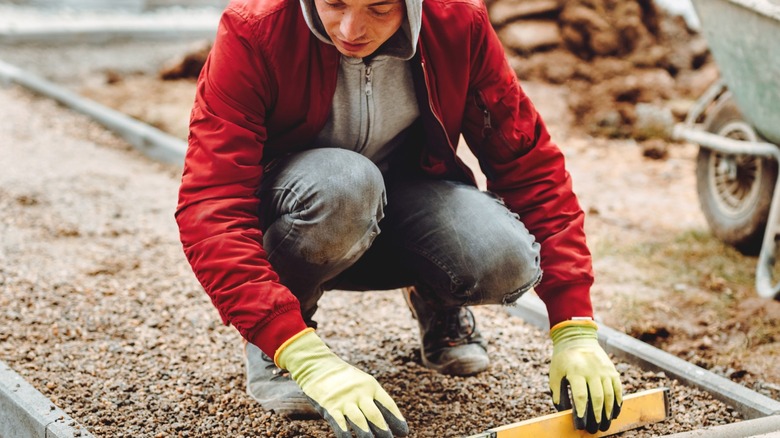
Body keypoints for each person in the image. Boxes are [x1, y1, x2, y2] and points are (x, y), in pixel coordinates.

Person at [175, 0, 624, 434]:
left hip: (402, 199)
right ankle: (279, 350)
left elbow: (528, 164)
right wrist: (294, 346)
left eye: (379, 8)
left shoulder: (457, 21)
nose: (351, 30)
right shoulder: (256, 29)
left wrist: (574, 326)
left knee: (505, 256)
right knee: (347, 183)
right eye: (334, 4)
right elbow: (210, 203)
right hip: (306, 211)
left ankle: (436, 298)